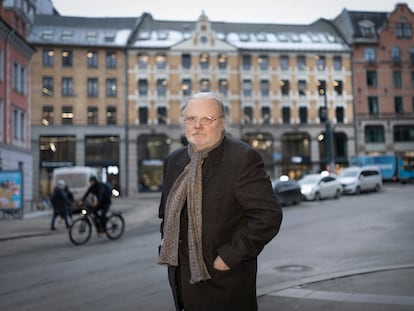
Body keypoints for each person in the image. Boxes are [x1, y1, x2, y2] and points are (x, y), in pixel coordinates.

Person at [158, 92, 283, 311]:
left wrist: (229, 256)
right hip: (182, 279)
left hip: (226, 283)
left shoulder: (242, 158)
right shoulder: (174, 161)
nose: (197, 126)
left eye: (207, 119)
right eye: (190, 119)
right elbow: (166, 215)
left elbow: (268, 216)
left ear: (222, 123)